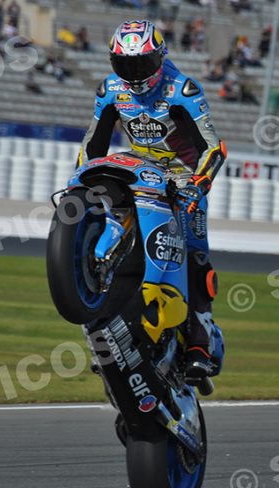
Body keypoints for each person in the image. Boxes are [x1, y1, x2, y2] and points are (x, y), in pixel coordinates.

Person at [78, 20, 227, 379]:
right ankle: (109, 333)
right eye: (124, 64)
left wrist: (198, 185)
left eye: (141, 64)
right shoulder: (111, 89)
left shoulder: (183, 90)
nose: (133, 73)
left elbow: (213, 148)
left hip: (181, 180)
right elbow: (93, 145)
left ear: (160, 57)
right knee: (111, 240)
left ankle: (199, 345)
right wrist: (81, 185)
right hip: (136, 172)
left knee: (196, 256)